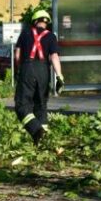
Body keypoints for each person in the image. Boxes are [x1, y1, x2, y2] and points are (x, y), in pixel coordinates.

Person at [14, 9, 64, 146]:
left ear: (35, 22)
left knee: (21, 105)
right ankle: (43, 142)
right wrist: (59, 77)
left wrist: (20, 71)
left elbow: (17, 56)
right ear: (46, 23)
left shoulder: (25, 34)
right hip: (43, 71)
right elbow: (54, 57)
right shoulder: (51, 36)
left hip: (27, 68)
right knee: (41, 105)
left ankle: (36, 130)